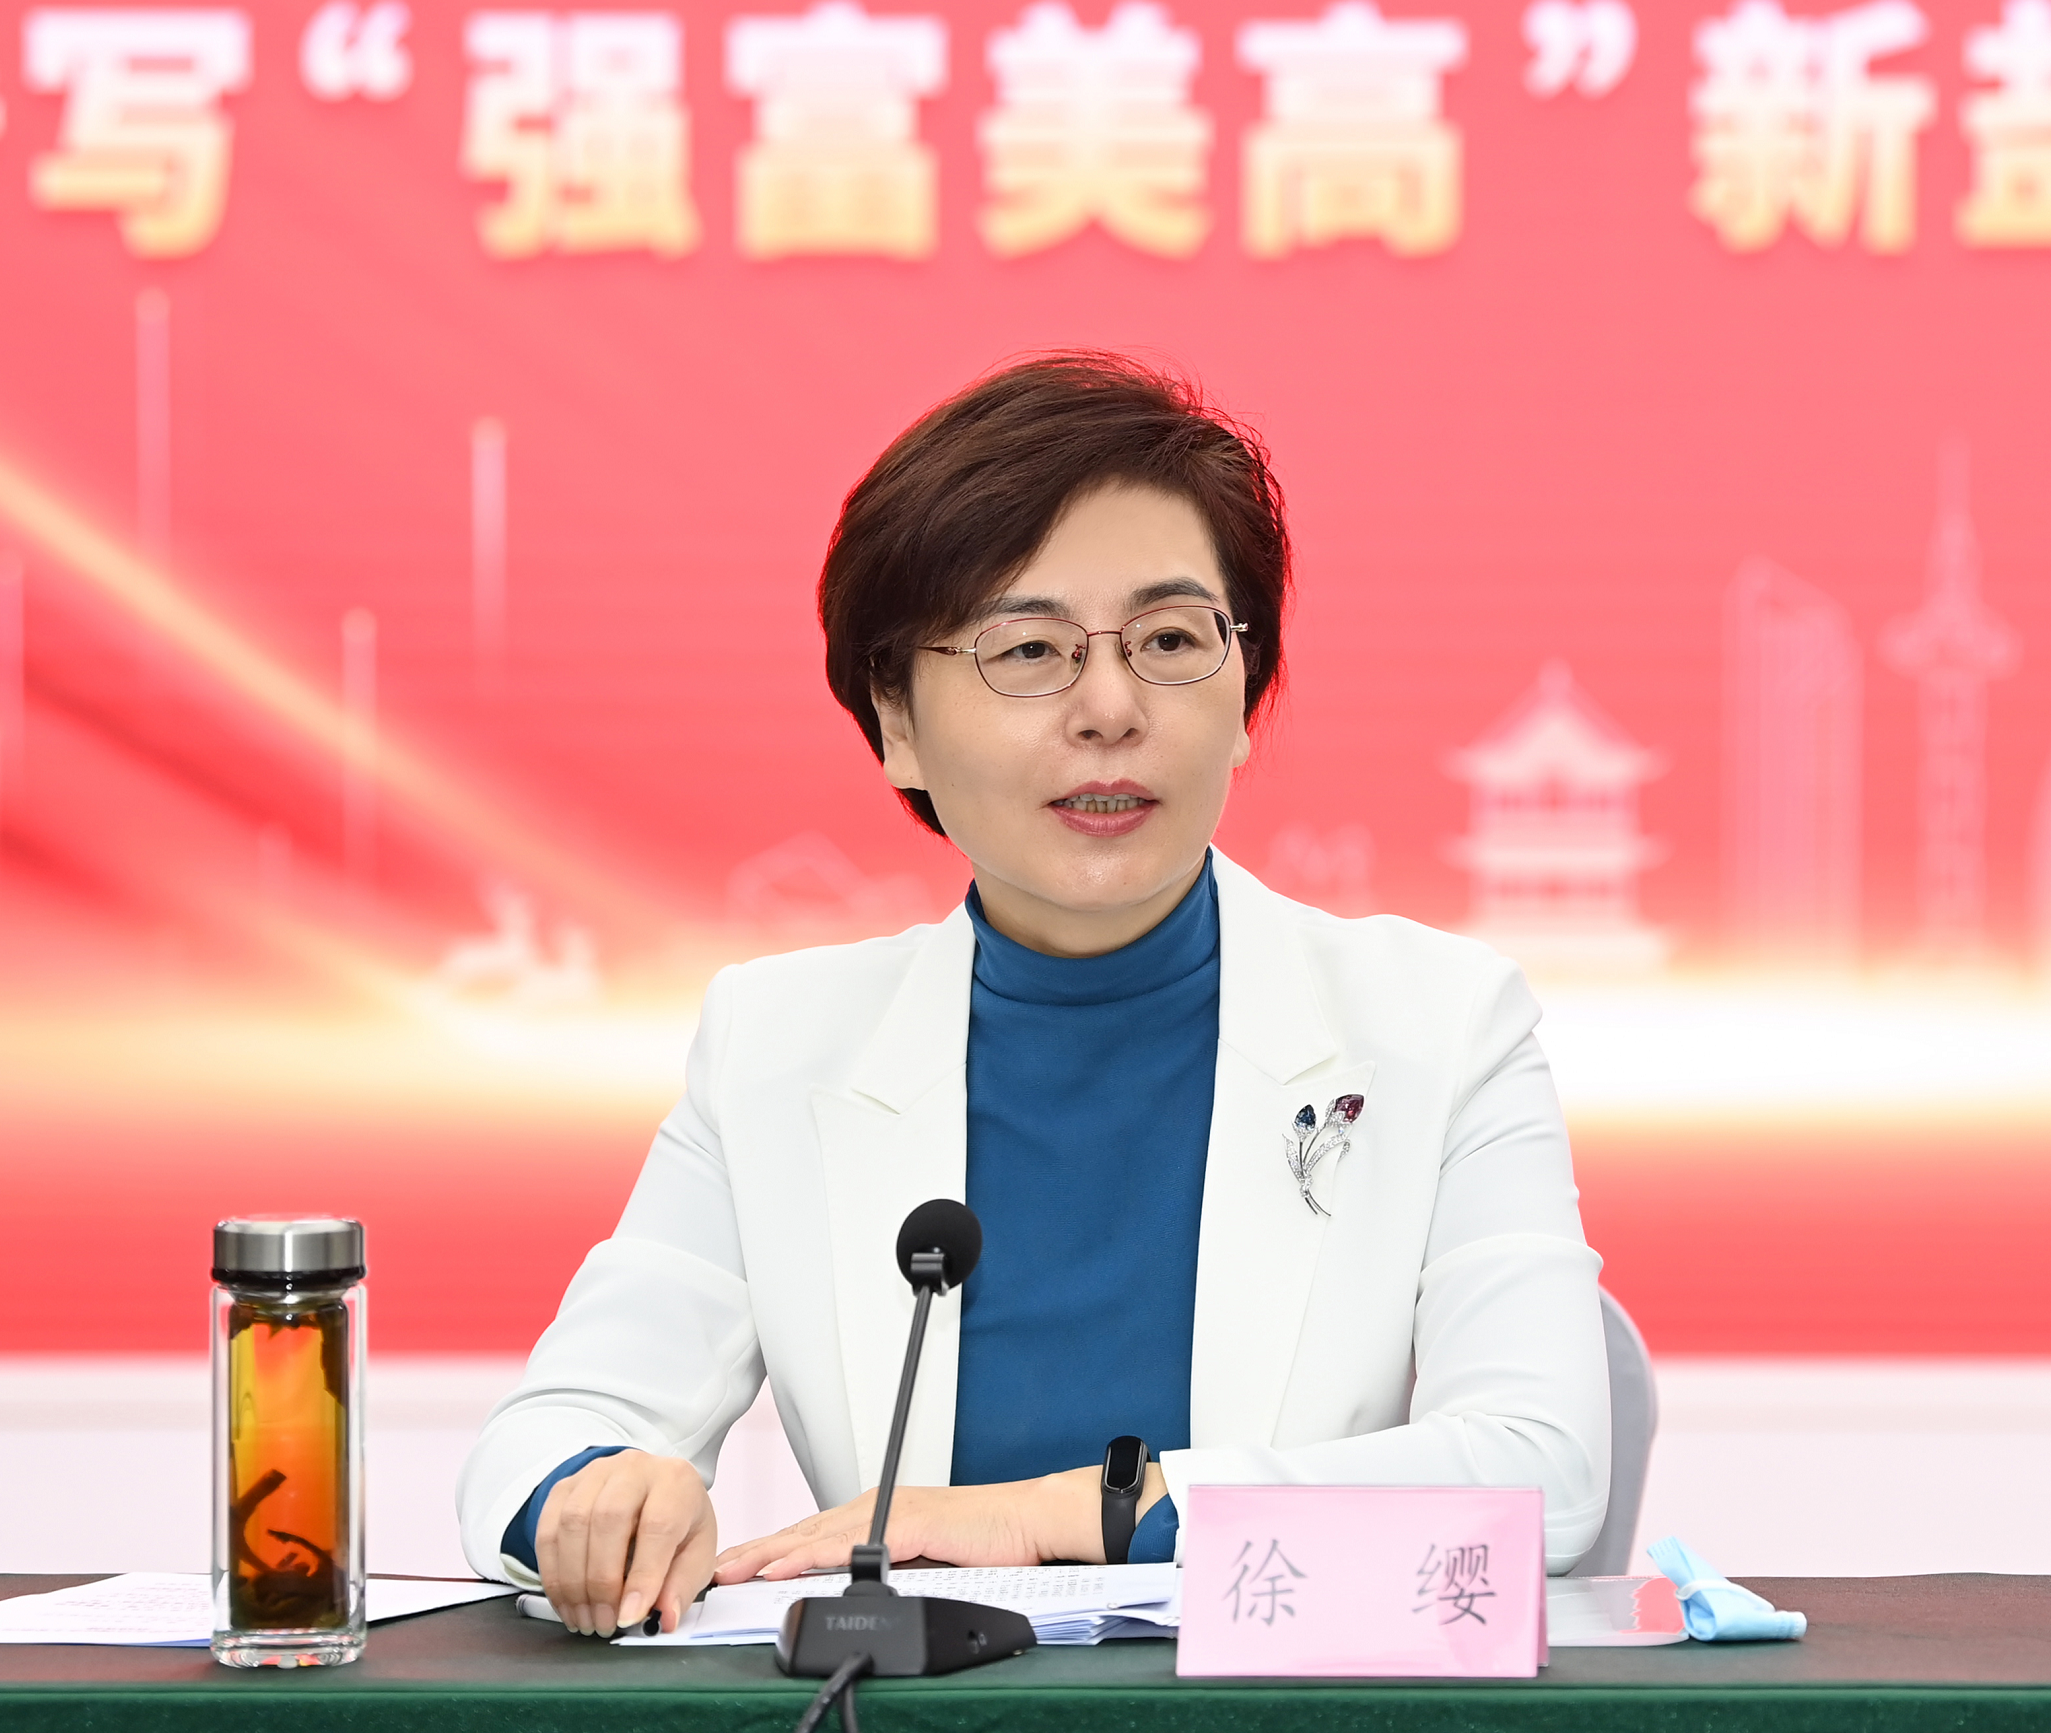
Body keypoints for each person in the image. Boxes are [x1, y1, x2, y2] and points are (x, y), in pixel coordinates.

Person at [457, 353, 1611, 1635]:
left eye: (1170, 641)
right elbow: (544, 1439)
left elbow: (1543, 1471)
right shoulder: (779, 1042)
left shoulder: (1440, 1022)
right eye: (1028, 650)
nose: (1111, 708)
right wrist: (602, 1493)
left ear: (1246, 694)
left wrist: (1062, 1514)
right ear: (897, 718)